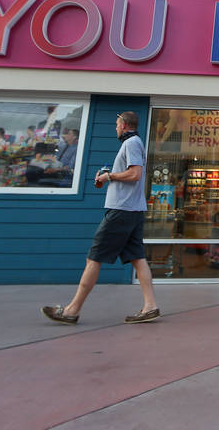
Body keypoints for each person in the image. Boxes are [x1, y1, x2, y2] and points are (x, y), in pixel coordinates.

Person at [42, 111, 160, 325]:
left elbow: (135, 174)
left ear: (124, 125)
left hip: (122, 211)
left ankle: (71, 310)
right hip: (132, 210)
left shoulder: (131, 143)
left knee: (93, 257)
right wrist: (108, 177)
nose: (115, 127)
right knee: (137, 257)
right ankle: (150, 306)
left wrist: (110, 176)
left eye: (117, 124)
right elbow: (130, 174)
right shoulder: (133, 143)